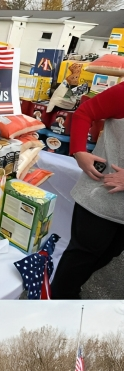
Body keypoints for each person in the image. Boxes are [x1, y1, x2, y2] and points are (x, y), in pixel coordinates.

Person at [51, 81, 124, 298]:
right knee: (82, 255)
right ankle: (58, 301)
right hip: (99, 194)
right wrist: (78, 151)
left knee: (110, 253)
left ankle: (69, 289)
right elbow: (85, 112)